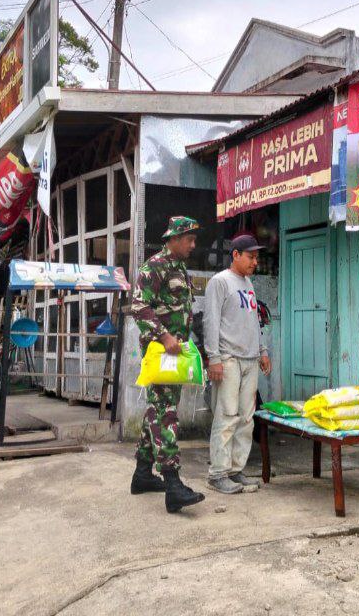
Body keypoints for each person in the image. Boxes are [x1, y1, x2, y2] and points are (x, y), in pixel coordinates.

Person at [129, 216, 206, 513]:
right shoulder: (154, 266)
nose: (193, 245)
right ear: (173, 239)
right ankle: (173, 484)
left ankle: (142, 474)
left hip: (175, 352)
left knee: (158, 408)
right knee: (166, 412)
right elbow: (139, 306)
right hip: (161, 352)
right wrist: (163, 335)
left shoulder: (179, 268)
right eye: (189, 239)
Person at [203, 234, 271, 494]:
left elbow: (253, 321)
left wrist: (262, 351)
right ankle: (218, 474)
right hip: (229, 359)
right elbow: (211, 321)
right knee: (226, 416)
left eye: (256, 257)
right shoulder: (220, 282)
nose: (255, 262)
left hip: (250, 359)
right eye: (250, 257)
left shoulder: (248, 283)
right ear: (236, 255)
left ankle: (235, 470)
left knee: (246, 419)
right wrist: (214, 358)